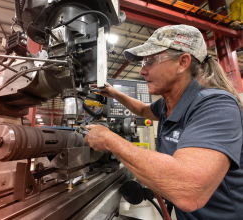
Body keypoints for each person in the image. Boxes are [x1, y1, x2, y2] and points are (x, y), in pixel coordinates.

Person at [85, 24, 243, 220]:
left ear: (182, 63)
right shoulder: (169, 103)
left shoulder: (216, 105)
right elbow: (142, 110)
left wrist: (110, 140)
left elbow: (189, 191)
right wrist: (115, 94)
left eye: (150, 61)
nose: (142, 71)